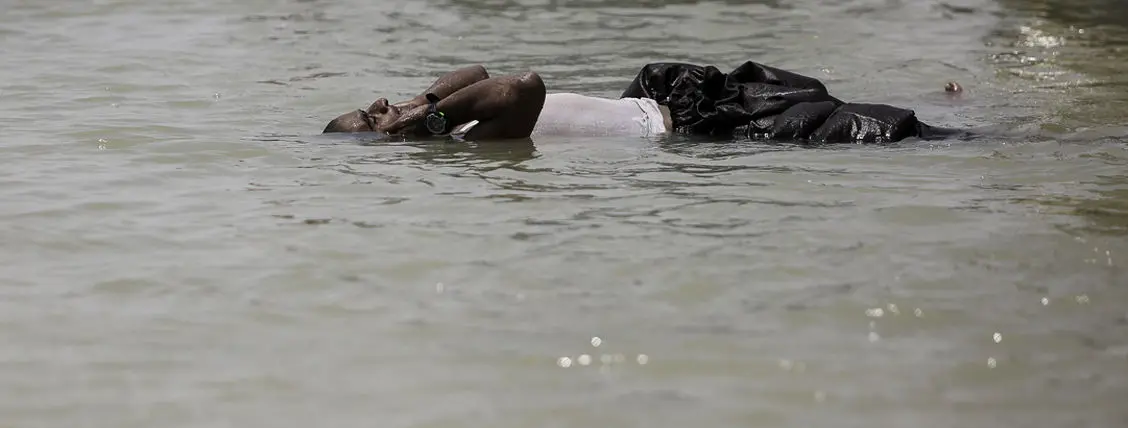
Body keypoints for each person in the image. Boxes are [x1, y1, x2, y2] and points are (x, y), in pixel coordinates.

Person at [323, 62, 962, 144]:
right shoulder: (474, 139)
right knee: (894, 130)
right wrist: (425, 125)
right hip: (706, 134)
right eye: (370, 113)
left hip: (698, 98)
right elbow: (522, 86)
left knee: (838, 98)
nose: (380, 102)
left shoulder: (452, 115)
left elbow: (479, 69)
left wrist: (419, 106)